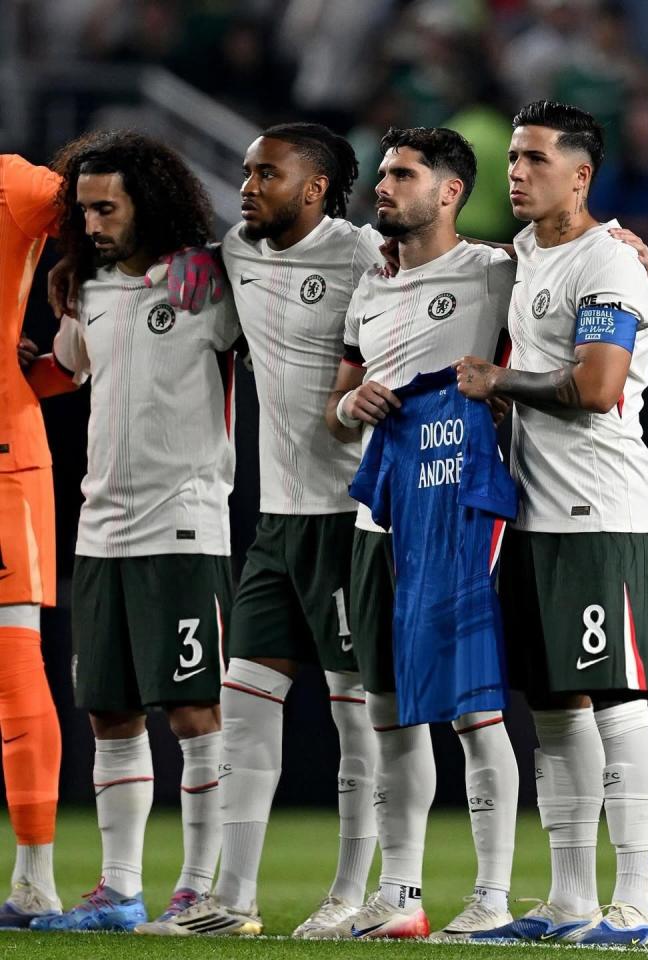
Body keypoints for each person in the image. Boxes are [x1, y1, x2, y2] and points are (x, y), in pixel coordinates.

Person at [148, 123, 380, 938]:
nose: (246, 187)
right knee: (244, 709)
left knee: (357, 716)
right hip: (275, 524)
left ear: (314, 189)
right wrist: (188, 262)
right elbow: (193, 285)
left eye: (266, 174)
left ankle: (350, 894)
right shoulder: (237, 253)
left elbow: (459, 270)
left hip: (350, 520)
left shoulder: (363, 254)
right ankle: (233, 901)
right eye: (247, 173)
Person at [456, 100, 648, 948]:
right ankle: (571, 899)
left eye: (535, 158)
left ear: (581, 174)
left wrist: (498, 382)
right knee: (553, 705)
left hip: (600, 510)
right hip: (535, 511)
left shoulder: (609, 263)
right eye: (512, 157)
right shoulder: (528, 254)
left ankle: (637, 905)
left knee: (615, 698)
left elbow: (596, 387)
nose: (515, 171)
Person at [24, 130, 240, 933]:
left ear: (146, 203)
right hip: (100, 530)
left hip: (182, 526)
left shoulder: (205, 282)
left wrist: (219, 256)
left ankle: (198, 888)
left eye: (105, 208)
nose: (90, 223)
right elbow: (67, 368)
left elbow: (281, 272)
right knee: (109, 713)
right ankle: (119, 892)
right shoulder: (88, 288)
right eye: (82, 210)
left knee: (193, 711)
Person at [325, 126, 521, 941]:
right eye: (382, 173)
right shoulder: (368, 290)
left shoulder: (496, 270)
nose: (382, 185)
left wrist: (625, 240)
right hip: (378, 517)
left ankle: (493, 896)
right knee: (390, 710)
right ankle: (400, 894)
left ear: (450, 192)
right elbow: (337, 407)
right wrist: (351, 404)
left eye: (403, 174)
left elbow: (572, 266)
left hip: (456, 513)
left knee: (473, 710)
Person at [0, 155, 64, 929]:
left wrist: (70, 333)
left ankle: (35, 880)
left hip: (3, 457)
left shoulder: (16, 185)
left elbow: (128, 210)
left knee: (12, 663)